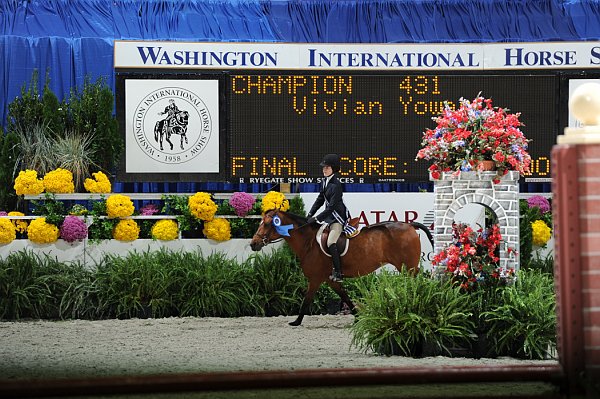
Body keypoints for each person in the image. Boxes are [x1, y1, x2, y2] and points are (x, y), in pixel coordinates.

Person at [306, 154, 357, 282]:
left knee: (330, 242)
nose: (324, 170)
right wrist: (310, 214)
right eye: (323, 167)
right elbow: (320, 199)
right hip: (329, 217)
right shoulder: (324, 181)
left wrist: (317, 218)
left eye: (327, 168)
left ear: (333, 169)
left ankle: (339, 273)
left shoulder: (336, 185)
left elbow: (332, 207)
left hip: (338, 218)